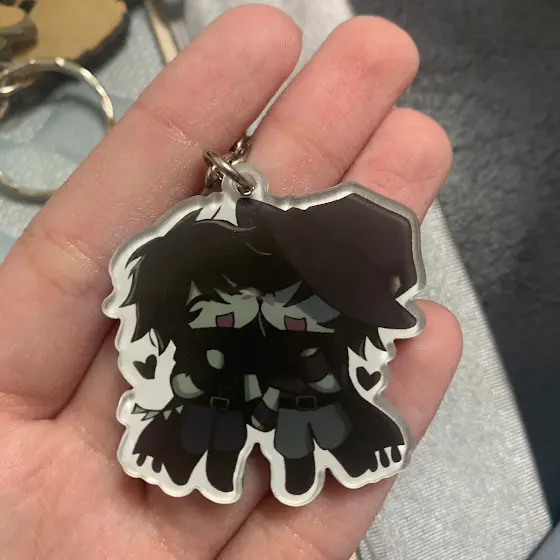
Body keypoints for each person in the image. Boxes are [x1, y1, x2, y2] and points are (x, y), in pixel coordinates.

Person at [0, 6, 461, 558]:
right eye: (224, 312)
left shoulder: (321, 374)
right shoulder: (198, 371)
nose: (261, 320)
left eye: (294, 311)